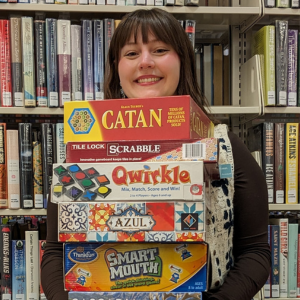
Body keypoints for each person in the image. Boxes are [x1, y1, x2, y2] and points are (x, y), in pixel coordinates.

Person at [41, 8, 271, 300]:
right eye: (132, 53)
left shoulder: (224, 146)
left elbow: (255, 252)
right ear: (117, 66)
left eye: (160, 49)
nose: (146, 62)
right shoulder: (84, 151)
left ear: (182, 61)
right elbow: (53, 252)